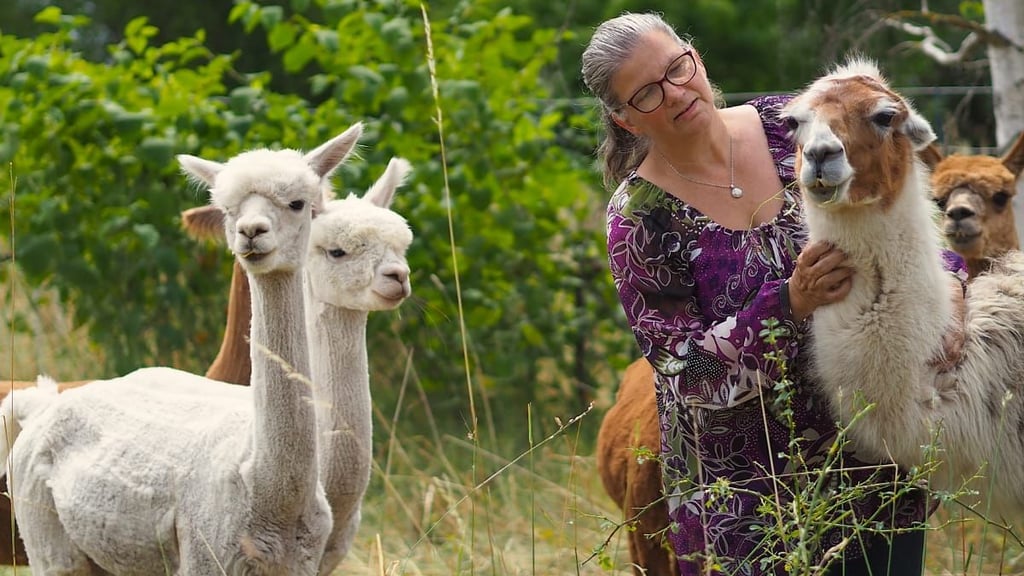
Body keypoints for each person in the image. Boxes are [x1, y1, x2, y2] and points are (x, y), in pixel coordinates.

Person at [581, 12, 967, 576]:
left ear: (696, 57)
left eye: (677, 68)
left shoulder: (796, 126)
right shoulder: (639, 221)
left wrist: (951, 281)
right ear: (624, 118)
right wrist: (788, 305)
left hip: (871, 459)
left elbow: (897, 206)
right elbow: (684, 370)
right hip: (749, 501)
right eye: (646, 93)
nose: (675, 92)